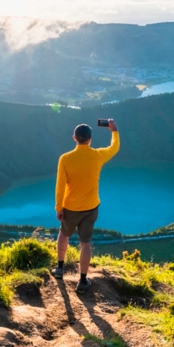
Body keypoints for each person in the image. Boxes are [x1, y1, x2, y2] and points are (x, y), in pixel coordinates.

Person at [52, 119, 120, 294]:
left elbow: (60, 186)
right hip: (90, 208)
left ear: (75, 138)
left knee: (63, 234)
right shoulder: (97, 155)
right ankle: (82, 281)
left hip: (70, 208)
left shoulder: (65, 159)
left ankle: (60, 269)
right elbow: (114, 148)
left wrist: (59, 207)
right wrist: (114, 131)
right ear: (90, 139)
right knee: (85, 243)